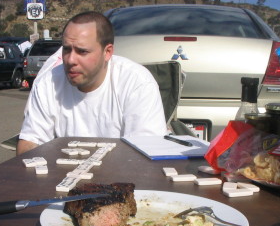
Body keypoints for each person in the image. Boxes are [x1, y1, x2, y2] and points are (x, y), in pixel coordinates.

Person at [16, 11, 167, 156]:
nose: (70, 60)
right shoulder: (48, 83)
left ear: (107, 52)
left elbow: (145, 153)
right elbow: (29, 144)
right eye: (67, 49)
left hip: (122, 178)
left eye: (82, 52)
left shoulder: (137, 83)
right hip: (60, 176)